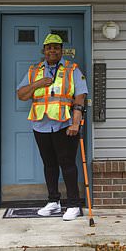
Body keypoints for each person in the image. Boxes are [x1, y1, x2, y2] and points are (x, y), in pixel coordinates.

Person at [16, 33, 88, 221]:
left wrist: (75, 122)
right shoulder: (34, 71)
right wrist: (38, 83)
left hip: (64, 125)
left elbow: (80, 97)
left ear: (61, 50)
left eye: (56, 47)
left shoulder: (72, 69)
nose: (52, 50)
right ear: (44, 50)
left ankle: (73, 204)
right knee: (49, 165)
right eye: (49, 47)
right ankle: (53, 202)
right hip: (41, 125)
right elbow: (21, 95)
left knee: (68, 164)